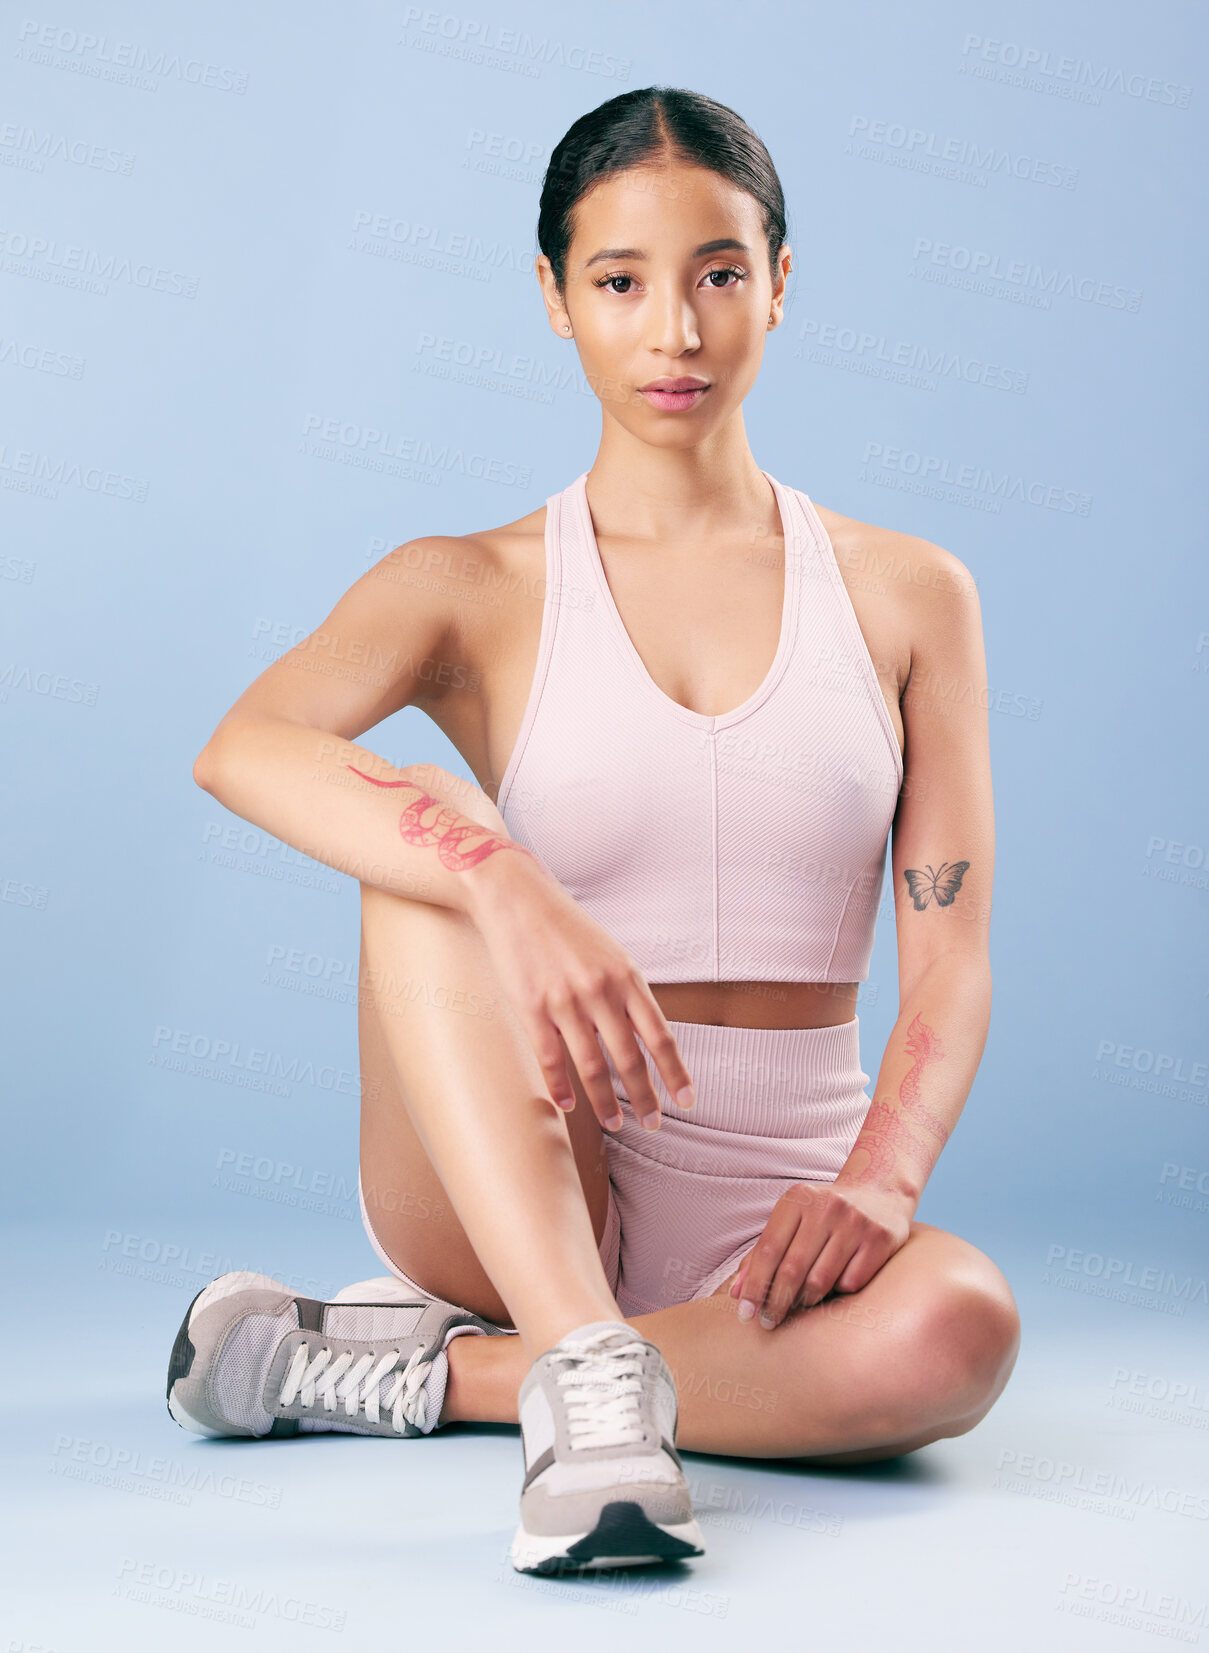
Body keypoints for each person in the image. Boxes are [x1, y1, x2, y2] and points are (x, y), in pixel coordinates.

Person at [166, 86, 1020, 1576]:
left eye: (716, 274)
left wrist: (880, 1179)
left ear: (778, 280)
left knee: (960, 1328)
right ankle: (573, 1347)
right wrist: (504, 880)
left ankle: (449, 1373)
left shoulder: (908, 594)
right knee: (425, 819)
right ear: (555, 300)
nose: (674, 333)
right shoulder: (471, 585)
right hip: (521, 1162)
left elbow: (948, 960)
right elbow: (242, 745)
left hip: (784, 1201)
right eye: (619, 282)